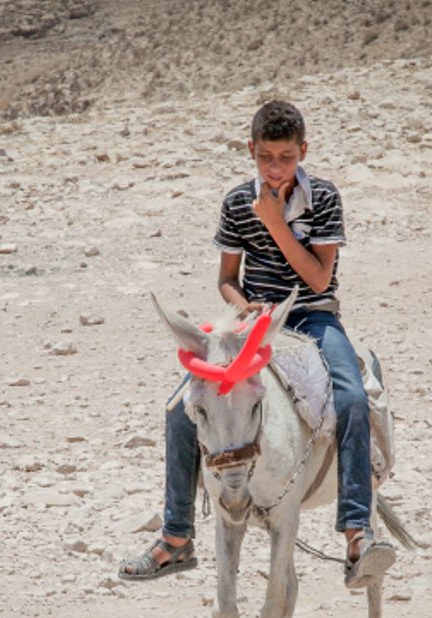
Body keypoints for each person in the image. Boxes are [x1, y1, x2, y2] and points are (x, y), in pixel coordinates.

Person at [119, 99, 395, 588]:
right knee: (183, 404)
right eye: (266, 156)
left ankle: (356, 532)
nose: (275, 167)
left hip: (313, 317)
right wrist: (242, 306)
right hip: (255, 321)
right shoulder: (234, 203)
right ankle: (177, 536)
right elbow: (227, 278)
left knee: (350, 397)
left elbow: (317, 278)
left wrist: (273, 220)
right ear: (251, 150)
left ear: (303, 151)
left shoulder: (325, 198)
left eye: (286, 157)